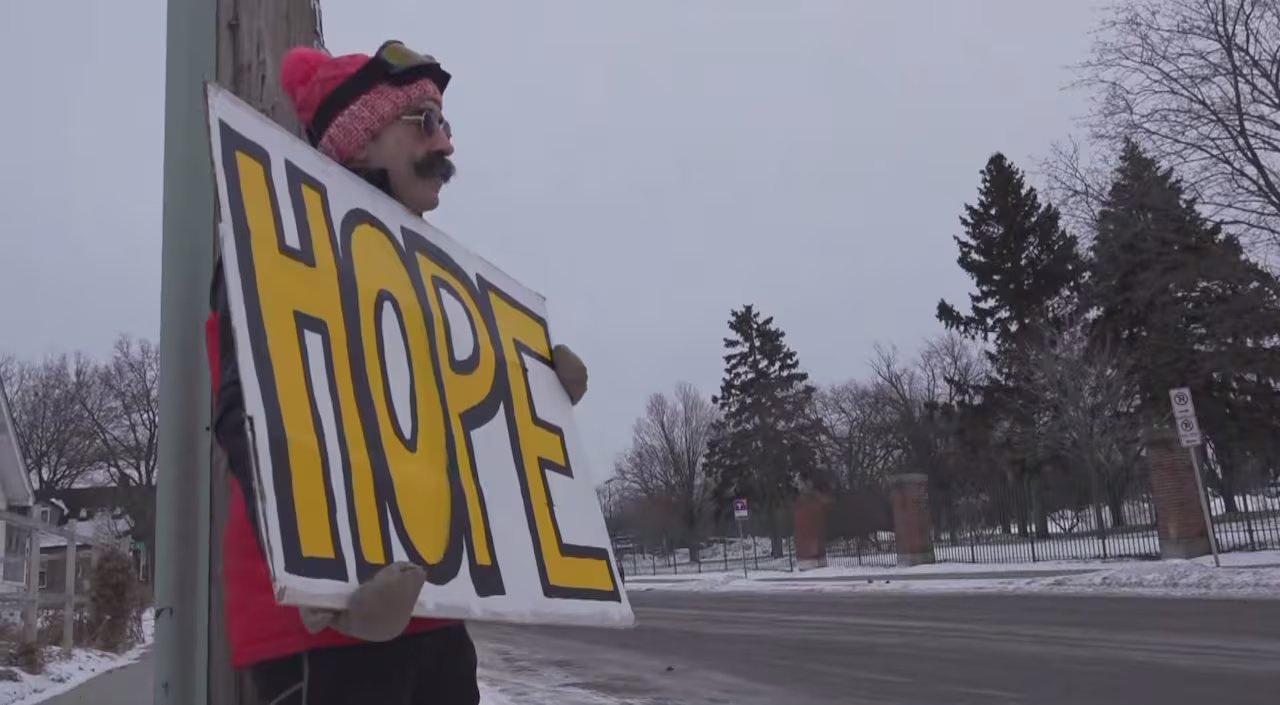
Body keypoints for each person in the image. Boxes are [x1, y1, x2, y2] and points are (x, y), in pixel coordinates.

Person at [203, 40, 590, 705]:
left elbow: (453, 423)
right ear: (358, 140)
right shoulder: (278, 231)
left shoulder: (433, 285)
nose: (446, 143)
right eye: (423, 121)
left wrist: (533, 394)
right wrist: (321, 573)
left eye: (445, 122)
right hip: (324, 628)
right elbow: (247, 412)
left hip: (433, 606)